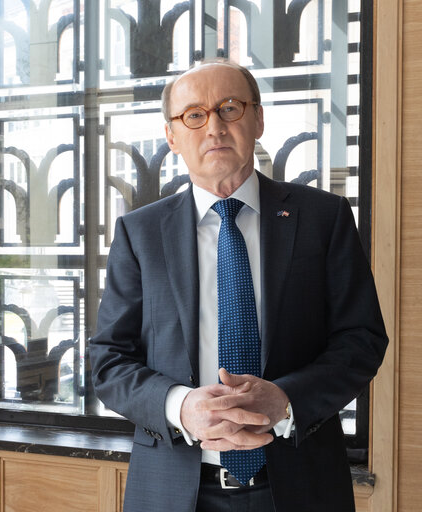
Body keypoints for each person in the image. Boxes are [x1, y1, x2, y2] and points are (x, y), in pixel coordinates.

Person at [89, 60, 388, 512]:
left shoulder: (322, 219)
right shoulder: (140, 233)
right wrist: (181, 406)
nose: (214, 127)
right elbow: (108, 361)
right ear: (172, 136)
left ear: (258, 119)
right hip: (174, 488)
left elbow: (362, 339)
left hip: (300, 485)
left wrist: (286, 398)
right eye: (194, 114)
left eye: (229, 108)